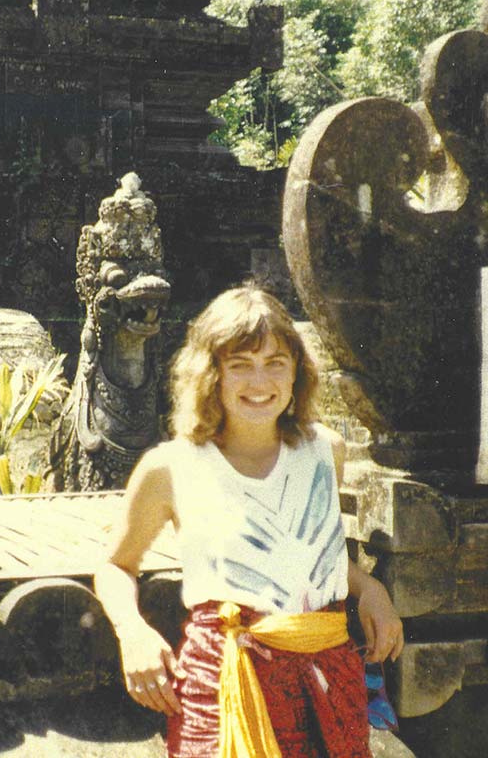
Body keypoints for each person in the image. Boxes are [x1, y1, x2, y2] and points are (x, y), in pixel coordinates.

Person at [94, 285, 403, 758]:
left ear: (297, 371)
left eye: (275, 362)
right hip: (223, 683)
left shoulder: (324, 452)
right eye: (240, 365)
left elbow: (308, 553)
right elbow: (115, 567)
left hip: (326, 684)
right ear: (210, 374)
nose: (259, 382)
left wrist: (369, 589)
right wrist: (132, 634)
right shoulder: (171, 467)